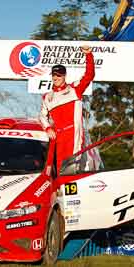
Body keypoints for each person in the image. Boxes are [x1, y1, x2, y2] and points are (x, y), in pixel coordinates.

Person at [39, 45, 95, 173]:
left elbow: (89, 75)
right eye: (53, 75)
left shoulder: (75, 89)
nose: (55, 78)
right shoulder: (48, 97)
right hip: (58, 136)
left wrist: (88, 55)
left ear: (64, 76)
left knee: (71, 168)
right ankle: (59, 191)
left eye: (59, 75)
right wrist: (47, 128)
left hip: (73, 134)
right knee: (58, 169)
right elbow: (42, 116)